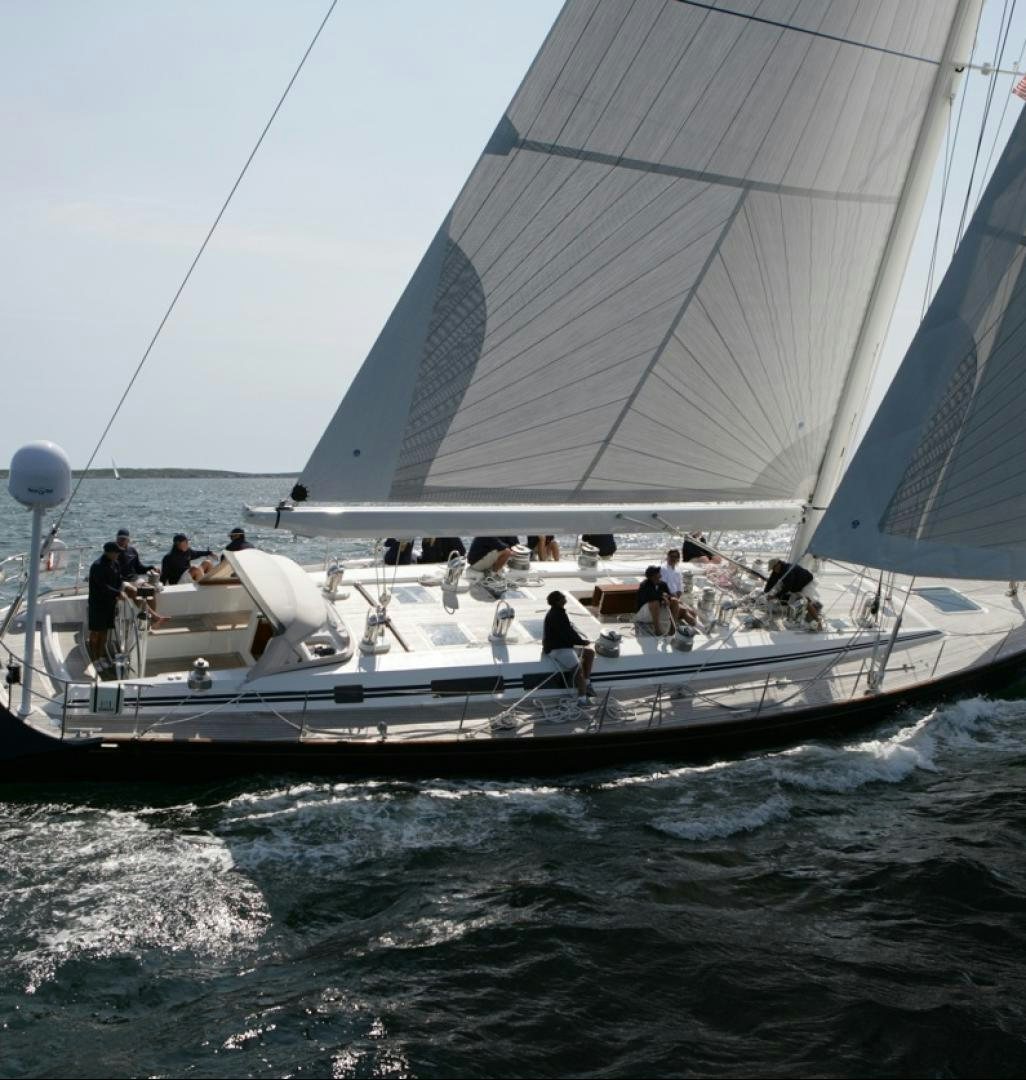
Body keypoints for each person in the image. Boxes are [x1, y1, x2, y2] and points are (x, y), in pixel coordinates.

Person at [88, 541, 165, 667]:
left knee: (105, 632)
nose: (118, 555)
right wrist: (118, 593)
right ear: (108, 552)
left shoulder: (115, 563)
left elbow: (119, 580)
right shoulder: (97, 566)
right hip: (98, 604)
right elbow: (102, 586)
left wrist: (121, 590)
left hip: (110, 602)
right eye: (116, 553)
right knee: (96, 632)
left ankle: (101, 657)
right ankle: (94, 659)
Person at [542, 590, 595, 705]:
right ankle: (582, 698)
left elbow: (569, 631)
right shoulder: (556, 615)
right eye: (563, 597)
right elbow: (566, 634)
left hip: (564, 645)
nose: (565, 598)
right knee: (578, 670)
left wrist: (581, 642)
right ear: (558, 601)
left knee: (590, 653)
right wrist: (582, 642)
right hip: (557, 649)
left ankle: (587, 683)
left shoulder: (559, 612)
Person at [636, 565, 698, 635]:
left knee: (676, 602)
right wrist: (663, 598)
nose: (659, 575)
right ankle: (657, 630)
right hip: (645, 613)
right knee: (654, 602)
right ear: (650, 577)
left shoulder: (663, 584)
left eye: (658, 573)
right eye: (656, 574)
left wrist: (668, 599)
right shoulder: (644, 585)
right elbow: (649, 598)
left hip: (659, 611)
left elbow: (669, 596)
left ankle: (672, 628)